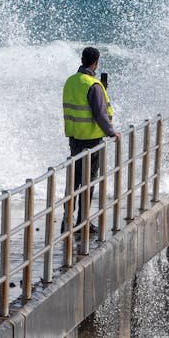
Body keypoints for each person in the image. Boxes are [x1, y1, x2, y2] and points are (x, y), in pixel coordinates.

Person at [62, 46, 120, 233]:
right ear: (96, 62)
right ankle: (83, 223)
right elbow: (100, 114)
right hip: (92, 141)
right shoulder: (93, 85)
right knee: (88, 183)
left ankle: (67, 222)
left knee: (74, 182)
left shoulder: (70, 81)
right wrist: (112, 133)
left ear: (82, 59)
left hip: (74, 138)